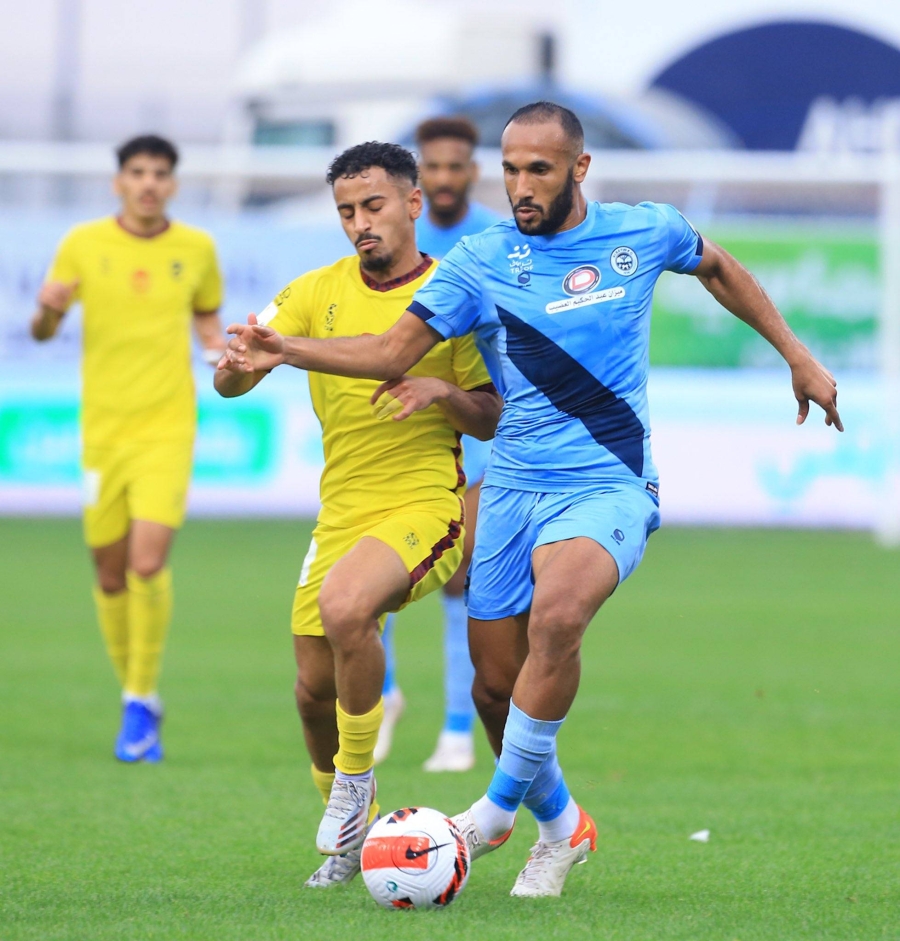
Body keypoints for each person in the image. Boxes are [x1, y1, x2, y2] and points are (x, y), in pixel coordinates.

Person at [221, 102, 842, 898]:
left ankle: (486, 815)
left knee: (558, 615)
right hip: (513, 486)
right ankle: (562, 826)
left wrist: (796, 354)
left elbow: (718, 266)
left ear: (579, 169)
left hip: (608, 479)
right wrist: (285, 349)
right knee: (494, 687)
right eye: (511, 169)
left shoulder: (642, 231)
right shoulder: (480, 259)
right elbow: (387, 351)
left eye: (538, 170)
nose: (521, 185)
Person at [214, 141, 500, 888]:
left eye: (373, 205)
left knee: (347, 607)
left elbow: (493, 414)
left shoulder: (452, 293)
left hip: (423, 505)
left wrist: (444, 392)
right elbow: (234, 377)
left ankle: (354, 779)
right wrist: (237, 367)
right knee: (312, 692)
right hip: (339, 514)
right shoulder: (314, 290)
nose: (359, 223)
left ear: (412, 203)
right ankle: (353, 835)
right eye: (346, 211)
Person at [31, 134, 226, 763]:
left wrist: (222, 352)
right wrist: (47, 312)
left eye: (160, 173)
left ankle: (140, 698)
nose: (149, 183)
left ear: (173, 184)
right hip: (103, 433)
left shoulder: (196, 248)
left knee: (146, 563)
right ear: (119, 182)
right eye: (138, 172)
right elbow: (43, 330)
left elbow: (207, 321)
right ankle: (135, 695)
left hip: (167, 427)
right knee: (110, 574)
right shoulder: (83, 243)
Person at [376, 116, 502, 773]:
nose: (446, 177)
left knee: (459, 576)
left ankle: (456, 729)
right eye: (435, 167)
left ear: (473, 171)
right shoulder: (398, 240)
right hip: (406, 429)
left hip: (474, 424)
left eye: (457, 166)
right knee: (375, 573)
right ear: (417, 178)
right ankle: (384, 693)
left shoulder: (498, 239)